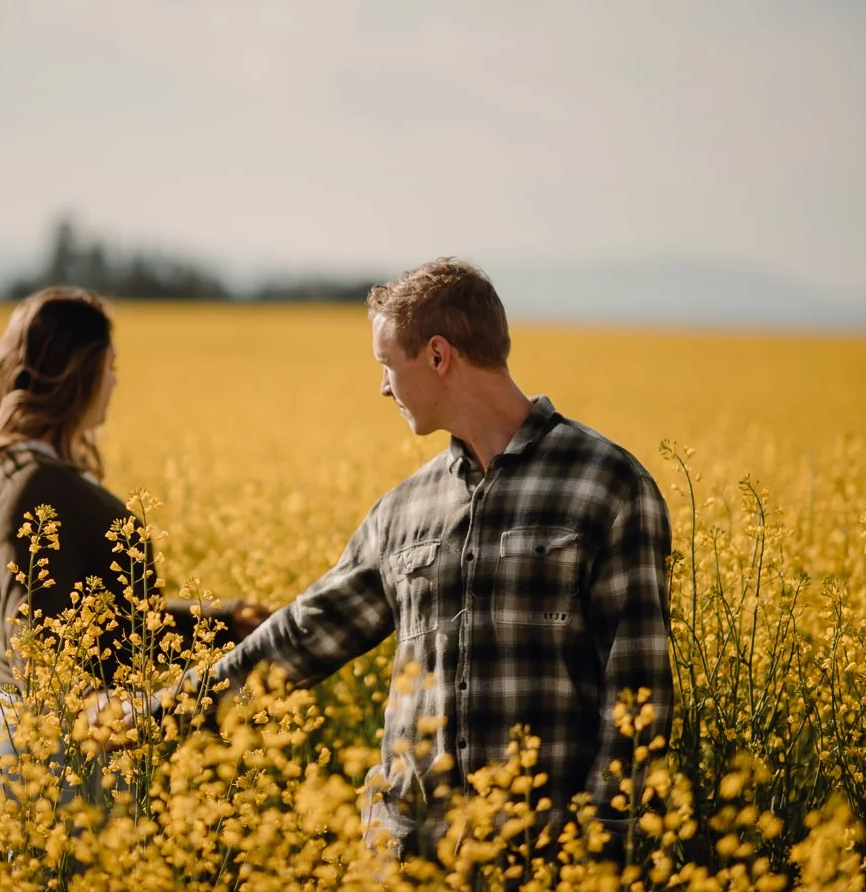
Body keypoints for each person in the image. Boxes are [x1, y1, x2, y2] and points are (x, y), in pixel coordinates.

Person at [199, 258, 673, 860]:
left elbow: (640, 692)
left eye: (386, 365)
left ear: (438, 355)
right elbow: (304, 634)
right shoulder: (405, 508)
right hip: (408, 864)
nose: (382, 387)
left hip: (545, 868)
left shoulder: (606, 485)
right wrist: (165, 707)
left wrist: (603, 852)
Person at [0, 286, 265, 799]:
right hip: (59, 744)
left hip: (58, 731)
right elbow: (35, 634)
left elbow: (100, 621)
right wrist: (93, 706)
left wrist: (218, 624)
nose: (114, 380)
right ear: (78, 372)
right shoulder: (36, 484)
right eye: (109, 366)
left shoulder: (19, 468)